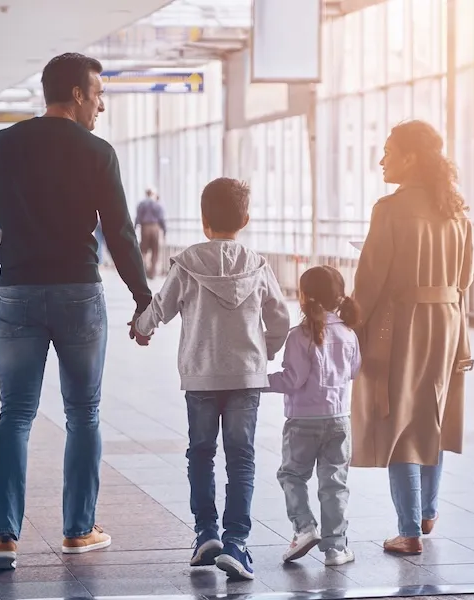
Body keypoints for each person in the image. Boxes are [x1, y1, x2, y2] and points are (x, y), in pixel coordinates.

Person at [0, 52, 153, 570]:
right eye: (98, 95)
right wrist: (145, 298)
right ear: (77, 94)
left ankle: (3, 537)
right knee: (84, 413)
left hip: (17, 294)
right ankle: (79, 530)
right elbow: (120, 233)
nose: (101, 106)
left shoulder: (3, 145)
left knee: (14, 415)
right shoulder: (96, 152)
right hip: (78, 292)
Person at [133, 177, 291, 580]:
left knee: (201, 454)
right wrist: (267, 351)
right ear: (246, 219)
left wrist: (142, 327)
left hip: (201, 376)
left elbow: (161, 307)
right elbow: (280, 317)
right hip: (245, 376)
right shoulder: (257, 264)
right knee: (241, 458)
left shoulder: (187, 262)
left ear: (204, 221)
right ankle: (237, 542)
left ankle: (206, 532)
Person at [350, 119, 474, 556]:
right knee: (431, 417)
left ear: (411, 157)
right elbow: (464, 280)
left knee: (399, 421)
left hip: (404, 324)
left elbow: (370, 281)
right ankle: (427, 511)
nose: (381, 160)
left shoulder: (390, 210)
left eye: (388, 151)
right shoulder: (456, 210)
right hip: (447, 321)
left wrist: (348, 317)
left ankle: (408, 530)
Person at [265, 265, 360, 567]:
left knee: (292, 475)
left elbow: (292, 380)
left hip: (302, 422)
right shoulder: (348, 333)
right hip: (339, 419)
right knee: (334, 483)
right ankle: (335, 549)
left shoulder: (299, 336)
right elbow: (354, 371)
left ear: (303, 296)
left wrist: (257, 381)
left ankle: (304, 528)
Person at [134, 187, 166, 279]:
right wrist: (164, 231)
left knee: (143, 250)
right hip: (155, 227)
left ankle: (144, 270)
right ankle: (152, 273)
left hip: (145, 227)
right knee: (155, 250)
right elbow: (162, 219)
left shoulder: (141, 204)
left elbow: (138, 217)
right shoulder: (158, 204)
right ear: (153, 194)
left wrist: (134, 228)